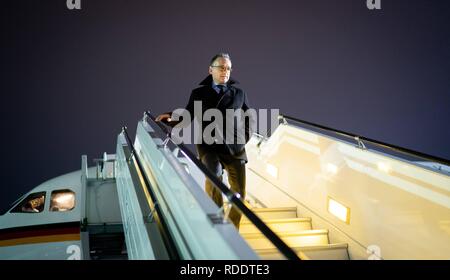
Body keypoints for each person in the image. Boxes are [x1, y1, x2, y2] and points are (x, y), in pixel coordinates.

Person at [156, 53, 254, 228]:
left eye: (228, 68)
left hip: (235, 147)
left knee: (239, 192)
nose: (226, 71)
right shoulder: (199, 93)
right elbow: (187, 115)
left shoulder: (239, 93)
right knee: (214, 178)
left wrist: (244, 137)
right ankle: (218, 226)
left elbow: (249, 117)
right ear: (211, 70)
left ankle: (232, 228)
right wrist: (170, 117)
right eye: (221, 67)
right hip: (209, 145)